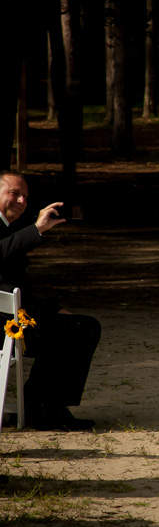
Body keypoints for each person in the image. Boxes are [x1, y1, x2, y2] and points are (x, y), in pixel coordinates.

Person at [0, 171, 100, 431]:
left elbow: (16, 288)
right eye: (14, 193)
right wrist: (36, 229)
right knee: (78, 330)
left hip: (16, 316)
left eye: (25, 196)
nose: (21, 201)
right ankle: (42, 408)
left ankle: (41, 404)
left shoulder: (10, 229)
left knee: (79, 326)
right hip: (5, 324)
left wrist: (52, 310)